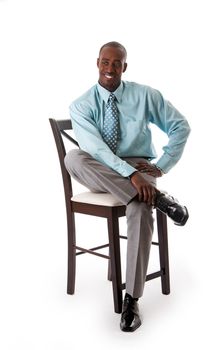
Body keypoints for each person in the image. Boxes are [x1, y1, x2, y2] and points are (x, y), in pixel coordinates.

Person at [65, 41, 191, 332]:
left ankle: (131, 298)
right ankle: (159, 199)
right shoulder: (81, 105)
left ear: (125, 66)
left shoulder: (145, 95)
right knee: (74, 157)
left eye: (117, 63)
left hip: (139, 165)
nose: (110, 69)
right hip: (101, 170)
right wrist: (131, 177)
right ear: (97, 63)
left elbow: (180, 126)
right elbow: (96, 151)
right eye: (105, 62)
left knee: (138, 207)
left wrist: (162, 165)